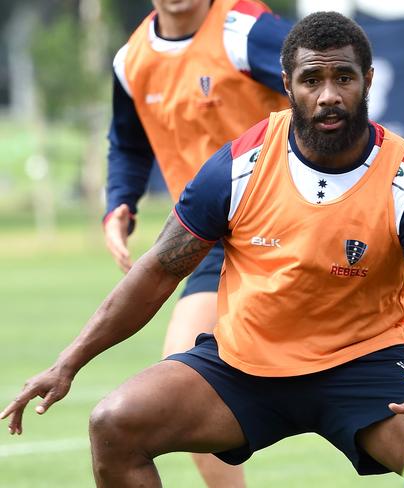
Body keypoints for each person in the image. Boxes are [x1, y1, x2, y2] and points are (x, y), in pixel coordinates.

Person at [1, 11, 404, 487]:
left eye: (344, 78)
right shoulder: (239, 164)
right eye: (312, 79)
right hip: (246, 366)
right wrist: (68, 363)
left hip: (363, 365)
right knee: (116, 423)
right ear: (287, 84)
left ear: (367, 80)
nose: (329, 95)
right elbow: (156, 273)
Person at [103, 0, 290, 484]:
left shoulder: (243, 30)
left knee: (367, 363)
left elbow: (326, 80)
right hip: (211, 239)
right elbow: (127, 142)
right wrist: (119, 203)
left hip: (290, 230)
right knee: (184, 380)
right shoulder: (132, 60)